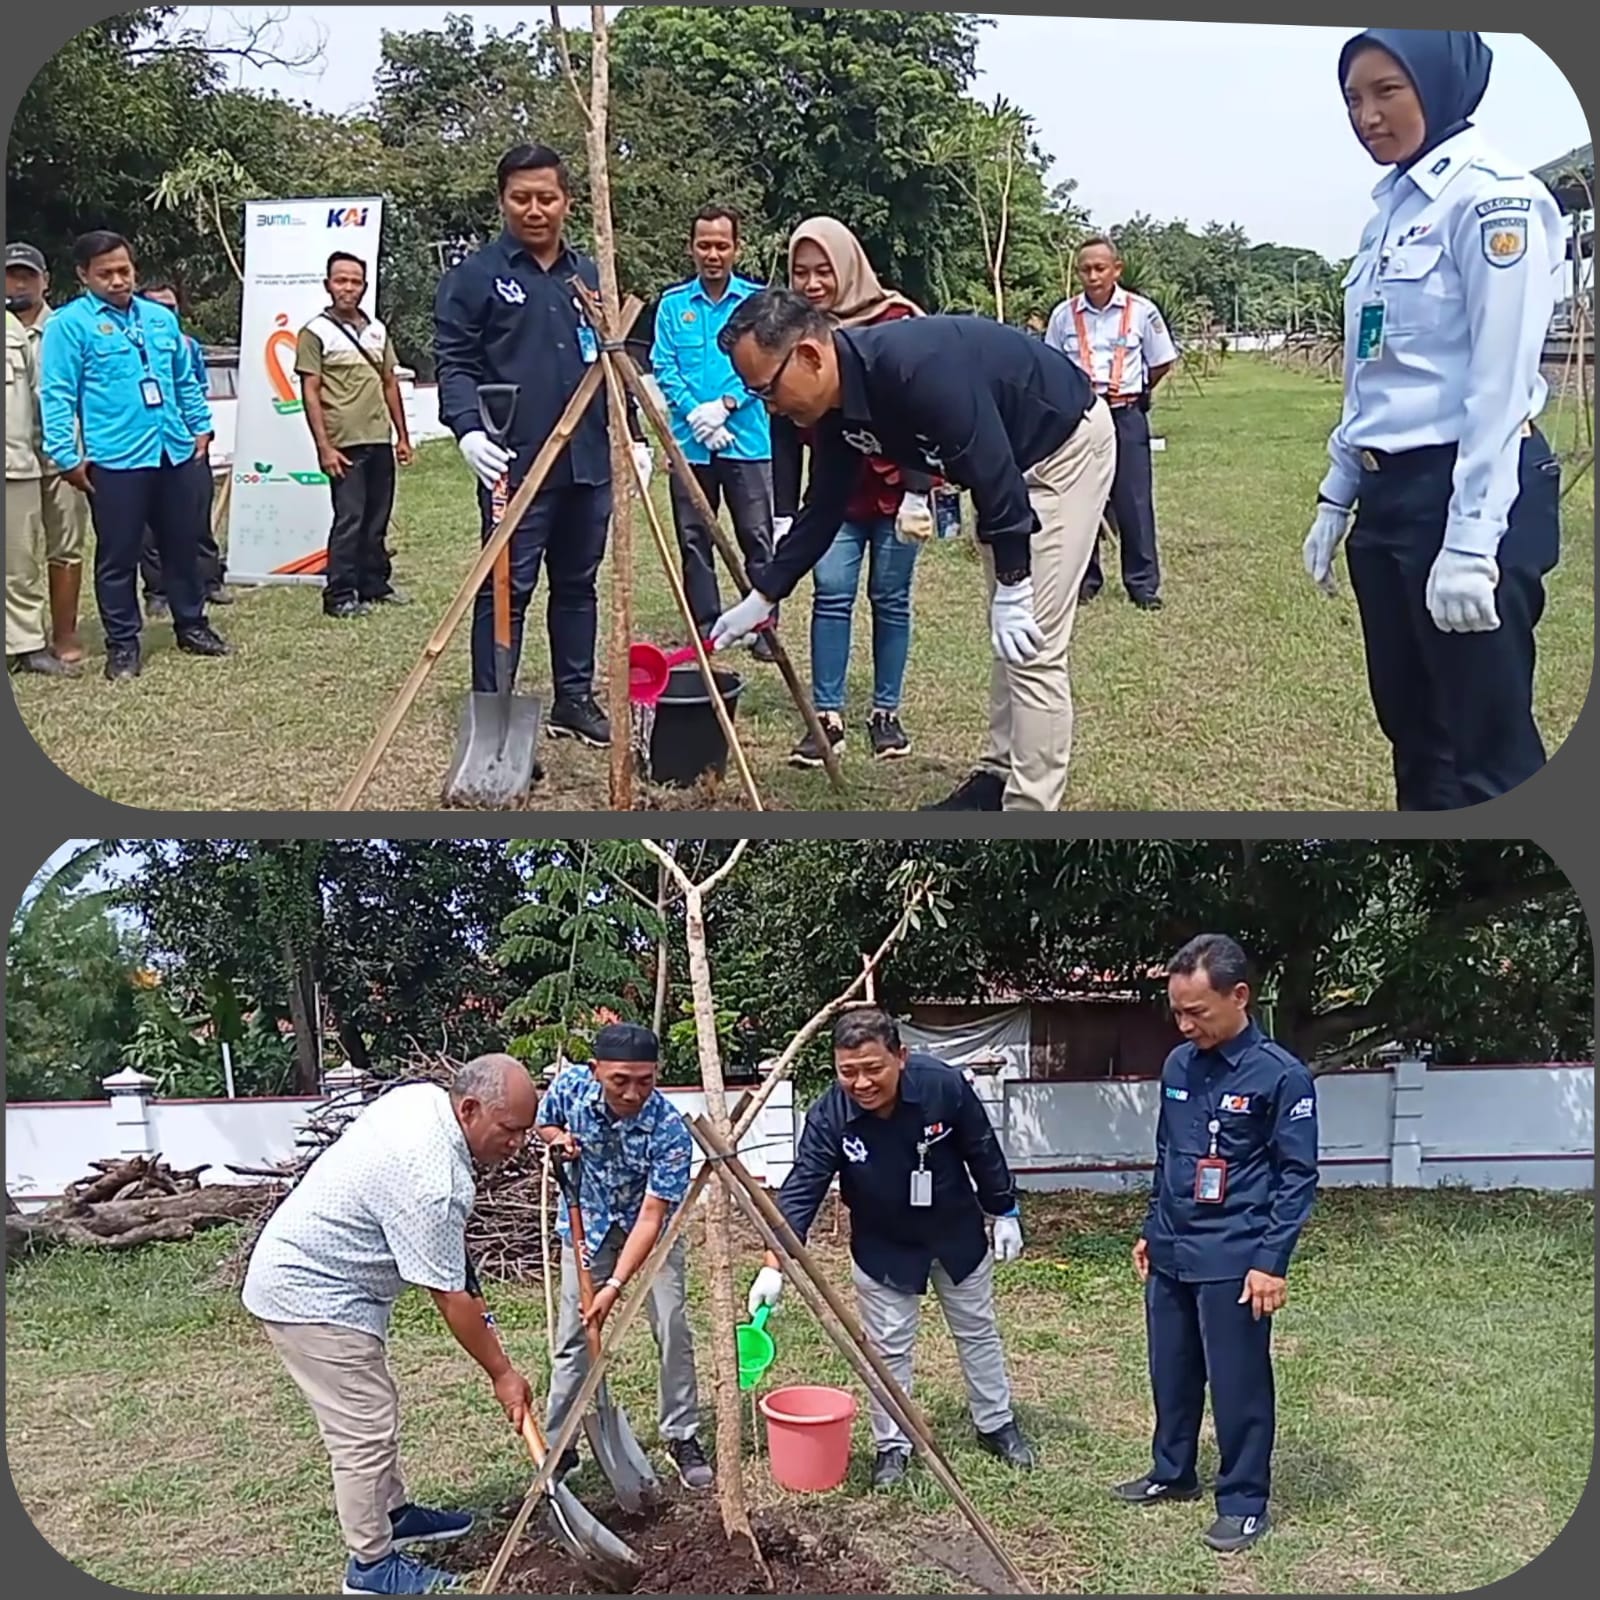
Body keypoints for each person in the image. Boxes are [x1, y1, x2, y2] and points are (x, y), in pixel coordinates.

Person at [711, 289, 1115, 812]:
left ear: (809, 357)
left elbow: (999, 483)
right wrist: (765, 594)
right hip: (1009, 467)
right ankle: (996, 777)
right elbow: (825, 503)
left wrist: (1015, 583)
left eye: (766, 390)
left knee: (1032, 641)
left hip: (1061, 451)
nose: (769, 406)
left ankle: (1031, 808)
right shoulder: (837, 404)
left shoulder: (916, 372)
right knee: (1009, 637)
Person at [1302, 29, 1565, 811]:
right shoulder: (1389, 213)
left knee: (1489, 754)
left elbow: (1501, 382)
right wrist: (1336, 492)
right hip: (1389, 504)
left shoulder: (1493, 199)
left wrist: (1472, 539)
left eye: (1389, 91)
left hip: (1466, 490)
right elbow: (1374, 374)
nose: (1367, 116)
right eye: (1353, 97)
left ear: (1441, 84)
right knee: (1416, 741)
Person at [242, 1057, 542, 1596]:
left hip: (337, 1284)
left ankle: (392, 1515)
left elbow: (453, 1263)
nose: (519, 1143)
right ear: (470, 1109)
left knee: (373, 1406)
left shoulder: (425, 1101)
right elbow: (449, 1295)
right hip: (311, 1292)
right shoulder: (433, 1179)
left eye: (525, 1130)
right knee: (362, 1430)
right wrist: (503, 1373)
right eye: (510, 1130)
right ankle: (372, 1568)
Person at [747, 1008, 1035, 1488]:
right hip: (883, 1244)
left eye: (872, 1068)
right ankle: (892, 1445)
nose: (860, 1082)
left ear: (900, 1057)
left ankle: (996, 1423)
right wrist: (773, 1263)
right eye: (848, 1071)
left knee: (977, 1332)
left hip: (955, 1234)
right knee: (887, 1350)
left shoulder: (942, 1086)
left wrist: (1003, 1210)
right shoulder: (830, 1115)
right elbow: (803, 1189)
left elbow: (982, 1148)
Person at [435, 141, 653, 749]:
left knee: (579, 581)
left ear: (567, 202)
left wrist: (630, 436)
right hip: (516, 463)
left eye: (547, 198)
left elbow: (613, 362)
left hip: (587, 460)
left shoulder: (588, 276)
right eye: (521, 198)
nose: (535, 210)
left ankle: (574, 698)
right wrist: (468, 429)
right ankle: (493, 710)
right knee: (507, 586)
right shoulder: (475, 279)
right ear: (503, 201)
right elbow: (454, 362)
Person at [1114, 935, 1318, 1555]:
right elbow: (1169, 1154)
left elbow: (1296, 1176)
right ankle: (1172, 1472)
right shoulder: (1180, 1066)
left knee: (1237, 1382)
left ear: (1239, 996)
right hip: (1174, 1248)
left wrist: (1270, 1262)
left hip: (1235, 1255)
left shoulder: (1282, 1077)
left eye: (1197, 1011)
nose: (1185, 1024)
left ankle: (1244, 1500)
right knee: (1171, 1373)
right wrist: (1152, 1228)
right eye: (1177, 1011)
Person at [773, 217, 934, 768]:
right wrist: (782, 511)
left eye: (823, 271)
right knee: (831, 595)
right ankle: (826, 716)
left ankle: (886, 713)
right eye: (801, 273)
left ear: (848, 265)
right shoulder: (791, 333)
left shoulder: (898, 319)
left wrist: (919, 491)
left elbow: (924, 414)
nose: (813, 284)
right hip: (834, 498)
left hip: (895, 493)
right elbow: (785, 427)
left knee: (891, 600)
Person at [39, 231, 229, 681]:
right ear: (84, 275)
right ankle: (123, 644)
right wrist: (66, 456)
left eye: (125, 271)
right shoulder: (69, 326)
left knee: (183, 544)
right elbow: (58, 394)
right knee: (119, 556)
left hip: (173, 450)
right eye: (106, 274)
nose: (118, 281)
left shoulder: (159, 319)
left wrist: (200, 426)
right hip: (117, 458)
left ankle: (192, 624)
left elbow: (184, 378)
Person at [536, 1023, 713, 1492]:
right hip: (587, 1225)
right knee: (573, 1335)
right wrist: (558, 1139)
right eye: (620, 1080)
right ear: (596, 1071)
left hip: (647, 1232)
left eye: (645, 1080)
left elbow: (653, 1217)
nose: (633, 1093)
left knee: (672, 1323)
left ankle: (682, 1435)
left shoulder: (670, 1128)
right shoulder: (571, 1086)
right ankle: (562, 1443)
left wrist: (614, 1286)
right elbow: (544, 1120)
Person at [650, 205, 777, 660]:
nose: (713, 253)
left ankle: (762, 624)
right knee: (693, 538)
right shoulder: (672, 306)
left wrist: (725, 406)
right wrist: (696, 415)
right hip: (690, 446)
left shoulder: (758, 303)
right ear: (692, 248)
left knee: (756, 535)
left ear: (736, 248)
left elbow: (769, 362)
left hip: (746, 440)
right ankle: (706, 626)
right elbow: (663, 367)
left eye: (722, 244)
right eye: (704, 244)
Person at [1045, 237, 1177, 609]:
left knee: (1134, 499)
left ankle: (1142, 584)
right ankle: (1084, 580)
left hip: (1125, 413)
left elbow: (1161, 360)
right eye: (1085, 269)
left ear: (1116, 269)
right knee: (1079, 498)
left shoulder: (1142, 312)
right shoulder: (1063, 316)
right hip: (1081, 417)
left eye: (1100, 268)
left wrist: (1139, 391)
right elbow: (1051, 367)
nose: (1092, 276)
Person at [296, 251, 415, 619]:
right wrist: (324, 447)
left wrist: (403, 436)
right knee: (349, 519)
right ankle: (340, 594)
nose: (348, 288)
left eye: (355, 281)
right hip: (344, 443)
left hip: (378, 438)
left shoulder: (377, 329)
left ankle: (374, 584)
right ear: (327, 285)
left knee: (377, 517)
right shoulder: (314, 332)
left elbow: (389, 382)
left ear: (364, 286)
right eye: (340, 280)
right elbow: (310, 391)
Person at [6, 241, 88, 666]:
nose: (18, 282)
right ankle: (24, 641)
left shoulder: (70, 327)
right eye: (10, 274)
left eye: (27, 274)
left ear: (46, 281)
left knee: (68, 548)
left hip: (66, 459)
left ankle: (66, 634)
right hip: (13, 461)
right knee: (16, 556)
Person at [135, 281, 230, 617]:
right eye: (158, 307)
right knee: (149, 529)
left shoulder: (189, 346)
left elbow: (196, 389)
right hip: (144, 446)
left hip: (187, 443)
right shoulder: (131, 342)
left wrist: (200, 431)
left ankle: (209, 580)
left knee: (198, 515)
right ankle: (158, 590)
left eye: (172, 307)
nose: (166, 314)